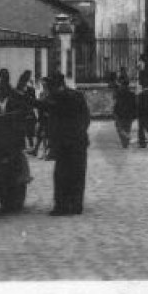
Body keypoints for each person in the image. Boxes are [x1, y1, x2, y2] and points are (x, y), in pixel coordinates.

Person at [44, 72, 90, 215]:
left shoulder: (57, 98)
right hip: (79, 141)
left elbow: (44, 109)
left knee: (61, 174)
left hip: (64, 143)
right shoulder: (77, 95)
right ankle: (76, 205)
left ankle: (62, 206)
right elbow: (86, 117)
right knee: (77, 174)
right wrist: (80, 132)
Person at [7, 70, 37, 154]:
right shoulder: (18, 90)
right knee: (23, 131)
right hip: (22, 112)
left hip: (27, 112)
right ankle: (25, 147)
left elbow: (33, 101)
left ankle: (30, 147)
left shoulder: (30, 89)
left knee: (28, 131)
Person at [112, 73, 137, 148]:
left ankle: (125, 142)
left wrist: (115, 112)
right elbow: (134, 106)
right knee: (127, 128)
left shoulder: (118, 93)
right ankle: (125, 143)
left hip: (120, 113)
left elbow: (116, 103)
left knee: (120, 128)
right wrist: (134, 115)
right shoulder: (131, 94)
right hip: (128, 114)